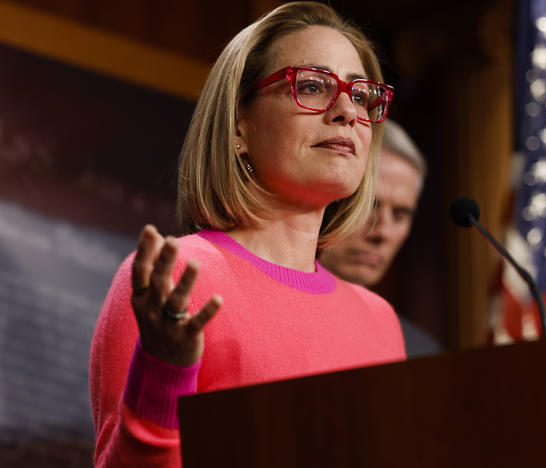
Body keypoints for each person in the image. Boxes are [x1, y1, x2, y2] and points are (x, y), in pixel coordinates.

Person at [89, 3, 405, 466]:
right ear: (239, 124)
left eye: (361, 96)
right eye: (312, 87)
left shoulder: (380, 322)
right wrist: (162, 373)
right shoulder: (179, 279)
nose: (346, 112)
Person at [318, 119, 443, 357]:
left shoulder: (420, 353)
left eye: (399, 215)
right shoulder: (268, 321)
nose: (382, 232)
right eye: (369, 206)